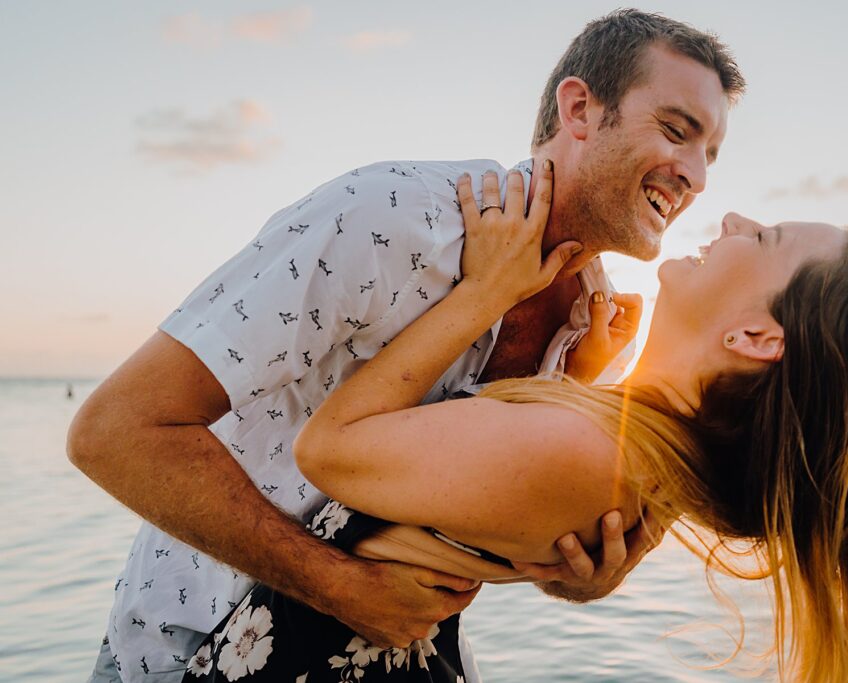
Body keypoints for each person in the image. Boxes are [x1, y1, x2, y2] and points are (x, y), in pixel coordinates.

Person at [67, 10, 745, 683]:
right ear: (579, 110)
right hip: (185, 654)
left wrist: (576, 574)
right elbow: (114, 430)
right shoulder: (388, 221)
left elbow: (451, 539)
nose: (696, 175)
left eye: (708, 153)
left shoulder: (592, 332)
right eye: (676, 131)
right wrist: (335, 584)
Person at [182, 170, 848, 682]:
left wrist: (485, 292)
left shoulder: (590, 454)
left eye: (768, 239)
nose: (734, 217)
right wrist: (578, 373)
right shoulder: (639, 449)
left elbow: (330, 447)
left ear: (755, 338)